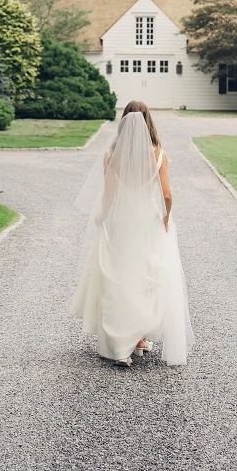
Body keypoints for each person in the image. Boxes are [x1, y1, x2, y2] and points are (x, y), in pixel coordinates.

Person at [71, 100, 193, 366]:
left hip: (122, 221)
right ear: (149, 121)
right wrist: (165, 217)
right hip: (148, 221)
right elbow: (167, 194)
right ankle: (136, 338)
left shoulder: (111, 154)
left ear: (124, 121)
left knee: (120, 279)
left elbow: (110, 194)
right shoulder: (158, 153)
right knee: (148, 278)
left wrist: (103, 215)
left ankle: (128, 343)